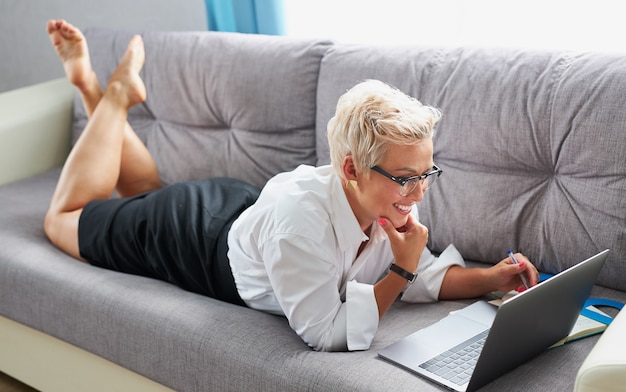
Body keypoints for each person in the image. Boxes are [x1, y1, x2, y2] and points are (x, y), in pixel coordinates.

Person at [44, 20, 539, 352]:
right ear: (351, 169)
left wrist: (492, 278)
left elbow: (426, 274)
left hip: (239, 212)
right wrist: (401, 273)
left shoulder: (384, 206)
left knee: (143, 187)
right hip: (190, 238)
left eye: (426, 174)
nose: (419, 193)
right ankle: (109, 93)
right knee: (64, 218)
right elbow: (325, 334)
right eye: (406, 180)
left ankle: (100, 95)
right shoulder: (303, 226)